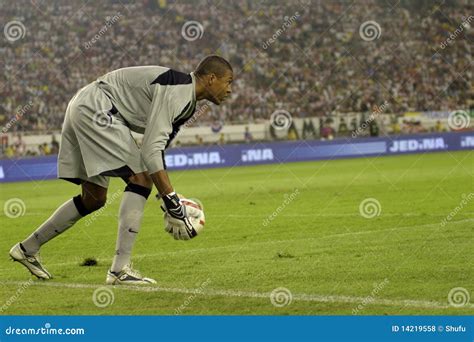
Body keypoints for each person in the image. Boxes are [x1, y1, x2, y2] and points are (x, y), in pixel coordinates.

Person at [9, 55, 233, 285]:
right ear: (211, 79)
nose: (230, 90)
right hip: (98, 110)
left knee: (94, 198)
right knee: (140, 180)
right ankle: (119, 271)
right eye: (228, 81)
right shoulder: (178, 91)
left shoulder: (186, 102)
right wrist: (172, 201)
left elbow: (155, 150)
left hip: (85, 105)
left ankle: (28, 248)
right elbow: (151, 151)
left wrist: (165, 197)